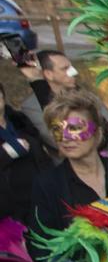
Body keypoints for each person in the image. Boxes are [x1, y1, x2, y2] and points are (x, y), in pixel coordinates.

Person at [28, 91, 108, 262]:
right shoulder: (47, 185)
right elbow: (43, 251)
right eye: (57, 129)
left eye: (74, 128)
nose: (65, 137)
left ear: (97, 132)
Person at [0, 81, 52, 224]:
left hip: (46, 197)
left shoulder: (20, 120)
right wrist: (6, 153)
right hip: (14, 213)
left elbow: (43, 152)